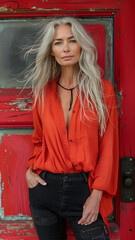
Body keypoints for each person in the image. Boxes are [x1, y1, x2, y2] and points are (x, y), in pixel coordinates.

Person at [25, 17, 119, 240]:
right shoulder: (43, 92)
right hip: (44, 189)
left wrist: (97, 194)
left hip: (84, 189)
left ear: (81, 46)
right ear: (51, 52)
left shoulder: (101, 89)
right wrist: (31, 170)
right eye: (58, 42)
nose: (65, 48)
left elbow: (109, 145)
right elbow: (38, 140)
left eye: (72, 40)